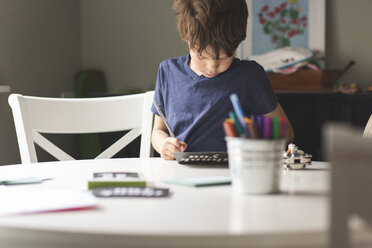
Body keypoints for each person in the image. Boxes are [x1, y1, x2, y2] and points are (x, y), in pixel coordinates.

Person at [151, 0, 294, 160]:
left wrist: (255, 141)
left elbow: (286, 132)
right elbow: (158, 130)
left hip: (233, 173)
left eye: (225, 57)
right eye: (201, 55)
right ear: (186, 37)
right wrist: (164, 145)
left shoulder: (249, 75)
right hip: (179, 173)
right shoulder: (168, 71)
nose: (212, 67)